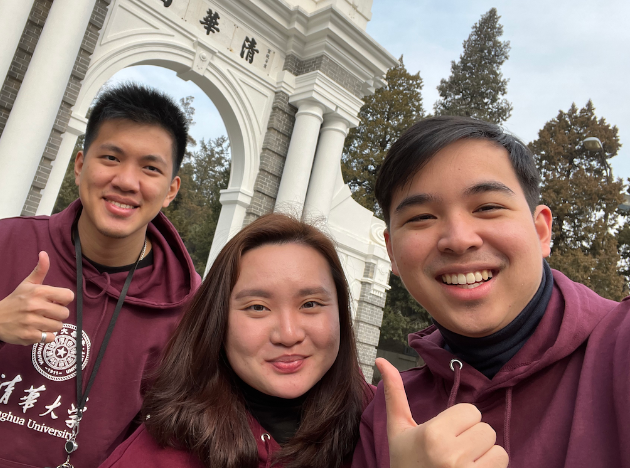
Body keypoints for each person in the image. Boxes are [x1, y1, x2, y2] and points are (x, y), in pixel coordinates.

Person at [0, 83, 201, 467]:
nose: (127, 181)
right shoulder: (2, 243)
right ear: (80, 165)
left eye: (150, 168)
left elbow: (164, 437)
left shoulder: (186, 306)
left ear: (170, 190)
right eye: (111, 157)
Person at [352, 115, 630, 468]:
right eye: (421, 217)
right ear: (391, 252)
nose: (458, 239)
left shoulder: (621, 349)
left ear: (541, 231)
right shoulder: (387, 418)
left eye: (487, 207)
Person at [99, 213, 373, 468]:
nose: (288, 335)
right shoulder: (154, 457)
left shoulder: (383, 423)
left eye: (310, 303)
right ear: (218, 321)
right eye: (257, 307)